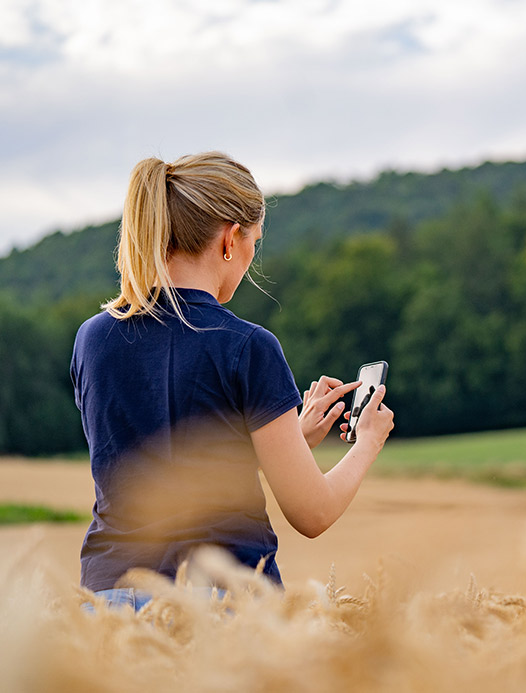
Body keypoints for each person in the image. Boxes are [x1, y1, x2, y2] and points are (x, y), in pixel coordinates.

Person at [71, 151, 394, 611]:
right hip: (225, 609)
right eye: (254, 243)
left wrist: (288, 440)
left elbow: (164, 465)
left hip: (107, 604)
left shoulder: (91, 339)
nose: (250, 257)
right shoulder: (248, 346)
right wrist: (368, 440)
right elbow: (313, 512)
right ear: (229, 239)